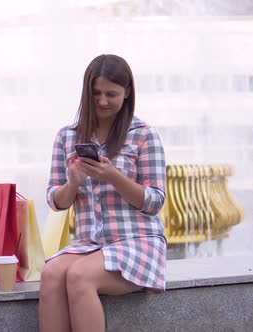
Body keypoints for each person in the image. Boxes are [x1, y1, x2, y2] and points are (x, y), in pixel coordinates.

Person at [38, 54, 167, 332]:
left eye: (112, 94)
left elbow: (155, 200)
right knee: (50, 274)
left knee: (79, 276)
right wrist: (72, 183)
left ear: (127, 92)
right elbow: (55, 202)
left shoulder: (143, 134)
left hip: (138, 242)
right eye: (96, 93)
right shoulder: (67, 136)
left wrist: (112, 175)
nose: (103, 101)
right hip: (91, 245)